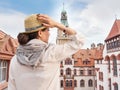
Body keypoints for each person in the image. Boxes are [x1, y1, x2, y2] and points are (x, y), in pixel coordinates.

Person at [8, 14, 84, 90]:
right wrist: (57, 25)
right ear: (40, 33)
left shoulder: (15, 59)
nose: (49, 33)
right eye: (48, 30)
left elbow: (12, 87)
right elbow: (80, 40)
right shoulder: (52, 53)